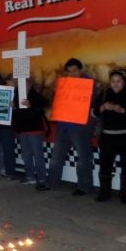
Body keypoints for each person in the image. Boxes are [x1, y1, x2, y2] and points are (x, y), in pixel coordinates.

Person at [46, 58, 96, 195]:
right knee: (56, 157)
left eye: (74, 70)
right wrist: (57, 93)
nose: (72, 74)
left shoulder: (89, 85)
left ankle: (84, 187)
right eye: (69, 72)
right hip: (63, 126)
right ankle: (52, 182)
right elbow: (56, 104)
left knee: (83, 158)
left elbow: (93, 107)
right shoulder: (64, 84)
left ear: (80, 70)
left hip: (81, 128)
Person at [92, 69, 126, 203]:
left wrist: (121, 109)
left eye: (119, 81)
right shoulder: (104, 94)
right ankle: (104, 194)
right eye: (113, 81)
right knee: (105, 166)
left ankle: (125, 195)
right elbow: (93, 113)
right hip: (107, 137)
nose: (115, 84)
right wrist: (103, 107)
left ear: (124, 82)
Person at [12, 78, 48, 187]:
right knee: (26, 155)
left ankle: (41, 178)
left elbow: (41, 110)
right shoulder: (16, 95)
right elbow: (17, 113)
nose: (21, 85)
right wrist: (14, 108)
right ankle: (30, 176)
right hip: (24, 129)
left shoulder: (36, 96)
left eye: (24, 83)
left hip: (34, 130)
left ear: (30, 84)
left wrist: (31, 106)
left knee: (37, 155)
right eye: (19, 83)